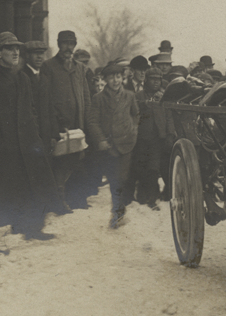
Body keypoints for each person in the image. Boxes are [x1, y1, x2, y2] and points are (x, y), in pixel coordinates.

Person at [0, 32, 65, 242]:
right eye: (9, 48)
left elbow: (31, 110)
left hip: (26, 145)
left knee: (32, 187)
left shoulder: (22, 78)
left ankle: (32, 229)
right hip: (0, 150)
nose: (15, 52)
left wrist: (35, 137)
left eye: (17, 48)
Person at [39, 30, 94, 209]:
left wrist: (86, 123)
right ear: (58, 44)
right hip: (59, 125)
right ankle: (59, 201)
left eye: (71, 44)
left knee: (77, 159)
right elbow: (45, 99)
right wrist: (53, 126)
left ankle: (76, 199)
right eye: (64, 43)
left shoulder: (80, 68)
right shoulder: (48, 67)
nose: (68, 48)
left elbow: (86, 97)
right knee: (60, 163)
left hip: (78, 123)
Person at [87, 61, 140, 228]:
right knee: (113, 179)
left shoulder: (129, 95)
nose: (116, 81)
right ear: (105, 80)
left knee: (122, 178)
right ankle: (117, 210)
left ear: (122, 78)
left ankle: (119, 209)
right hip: (110, 146)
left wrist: (133, 131)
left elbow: (136, 115)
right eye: (111, 78)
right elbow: (92, 121)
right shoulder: (98, 98)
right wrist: (101, 139)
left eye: (118, 77)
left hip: (126, 143)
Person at [132, 69, 165, 209]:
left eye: (159, 79)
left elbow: (168, 115)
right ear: (146, 80)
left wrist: (168, 134)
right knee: (141, 167)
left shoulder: (163, 96)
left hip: (157, 139)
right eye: (153, 79)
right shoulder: (138, 95)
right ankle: (141, 194)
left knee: (154, 168)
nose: (156, 81)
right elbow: (132, 111)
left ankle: (152, 197)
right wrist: (144, 104)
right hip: (141, 138)